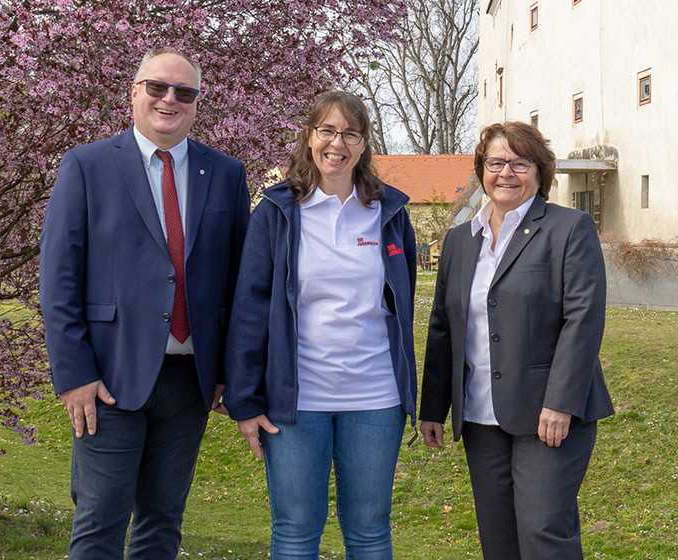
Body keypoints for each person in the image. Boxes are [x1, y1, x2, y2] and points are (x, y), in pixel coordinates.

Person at [39, 48, 250, 559]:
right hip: (107, 381)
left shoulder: (225, 174)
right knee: (99, 522)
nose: (169, 99)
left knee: (161, 525)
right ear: (134, 92)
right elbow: (58, 279)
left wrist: (230, 370)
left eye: (184, 92)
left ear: (198, 103)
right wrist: (73, 375)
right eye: (157, 87)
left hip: (189, 382)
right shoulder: (87, 166)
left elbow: (240, 286)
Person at [223, 91, 417, 559]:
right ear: (309, 138)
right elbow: (250, 309)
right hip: (296, 403)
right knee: (294, 532)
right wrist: (245, 402)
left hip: (376, 399)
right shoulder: (276, 213)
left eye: (350, 133)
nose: (338, 143)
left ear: (364, 144)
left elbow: (403, 302)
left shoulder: (389, 213)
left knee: (370, 532)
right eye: (327, 131)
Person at [419, 121, 614, 560]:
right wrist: (434, 408)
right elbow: (443, 327)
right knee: (499, 539)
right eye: (496, 162)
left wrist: (561, 402)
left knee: (544, 533)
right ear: (481, 170)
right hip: (481, 416)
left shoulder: (569, 229)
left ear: (540, 171)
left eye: (520, 163)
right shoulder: (458, 241)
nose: (506, 173)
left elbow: (583, 320)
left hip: (549, 415)